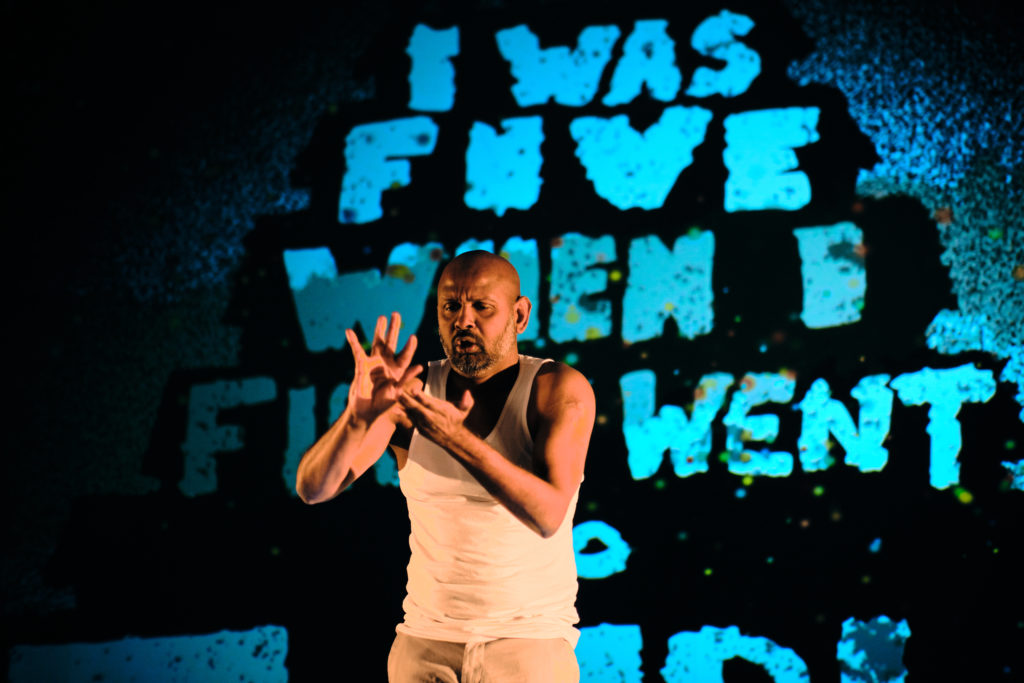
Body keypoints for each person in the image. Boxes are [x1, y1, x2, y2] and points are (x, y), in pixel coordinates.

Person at [296, 250, 595, 682]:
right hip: (424, 645)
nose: (464, 321)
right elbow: (312, 488)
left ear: (520, 315)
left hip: (528, 645)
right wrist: (355, 419)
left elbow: (547, 514)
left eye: (482, 308)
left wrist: (456, 439)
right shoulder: (412, 392)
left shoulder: (556, 389)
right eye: (451, 307)